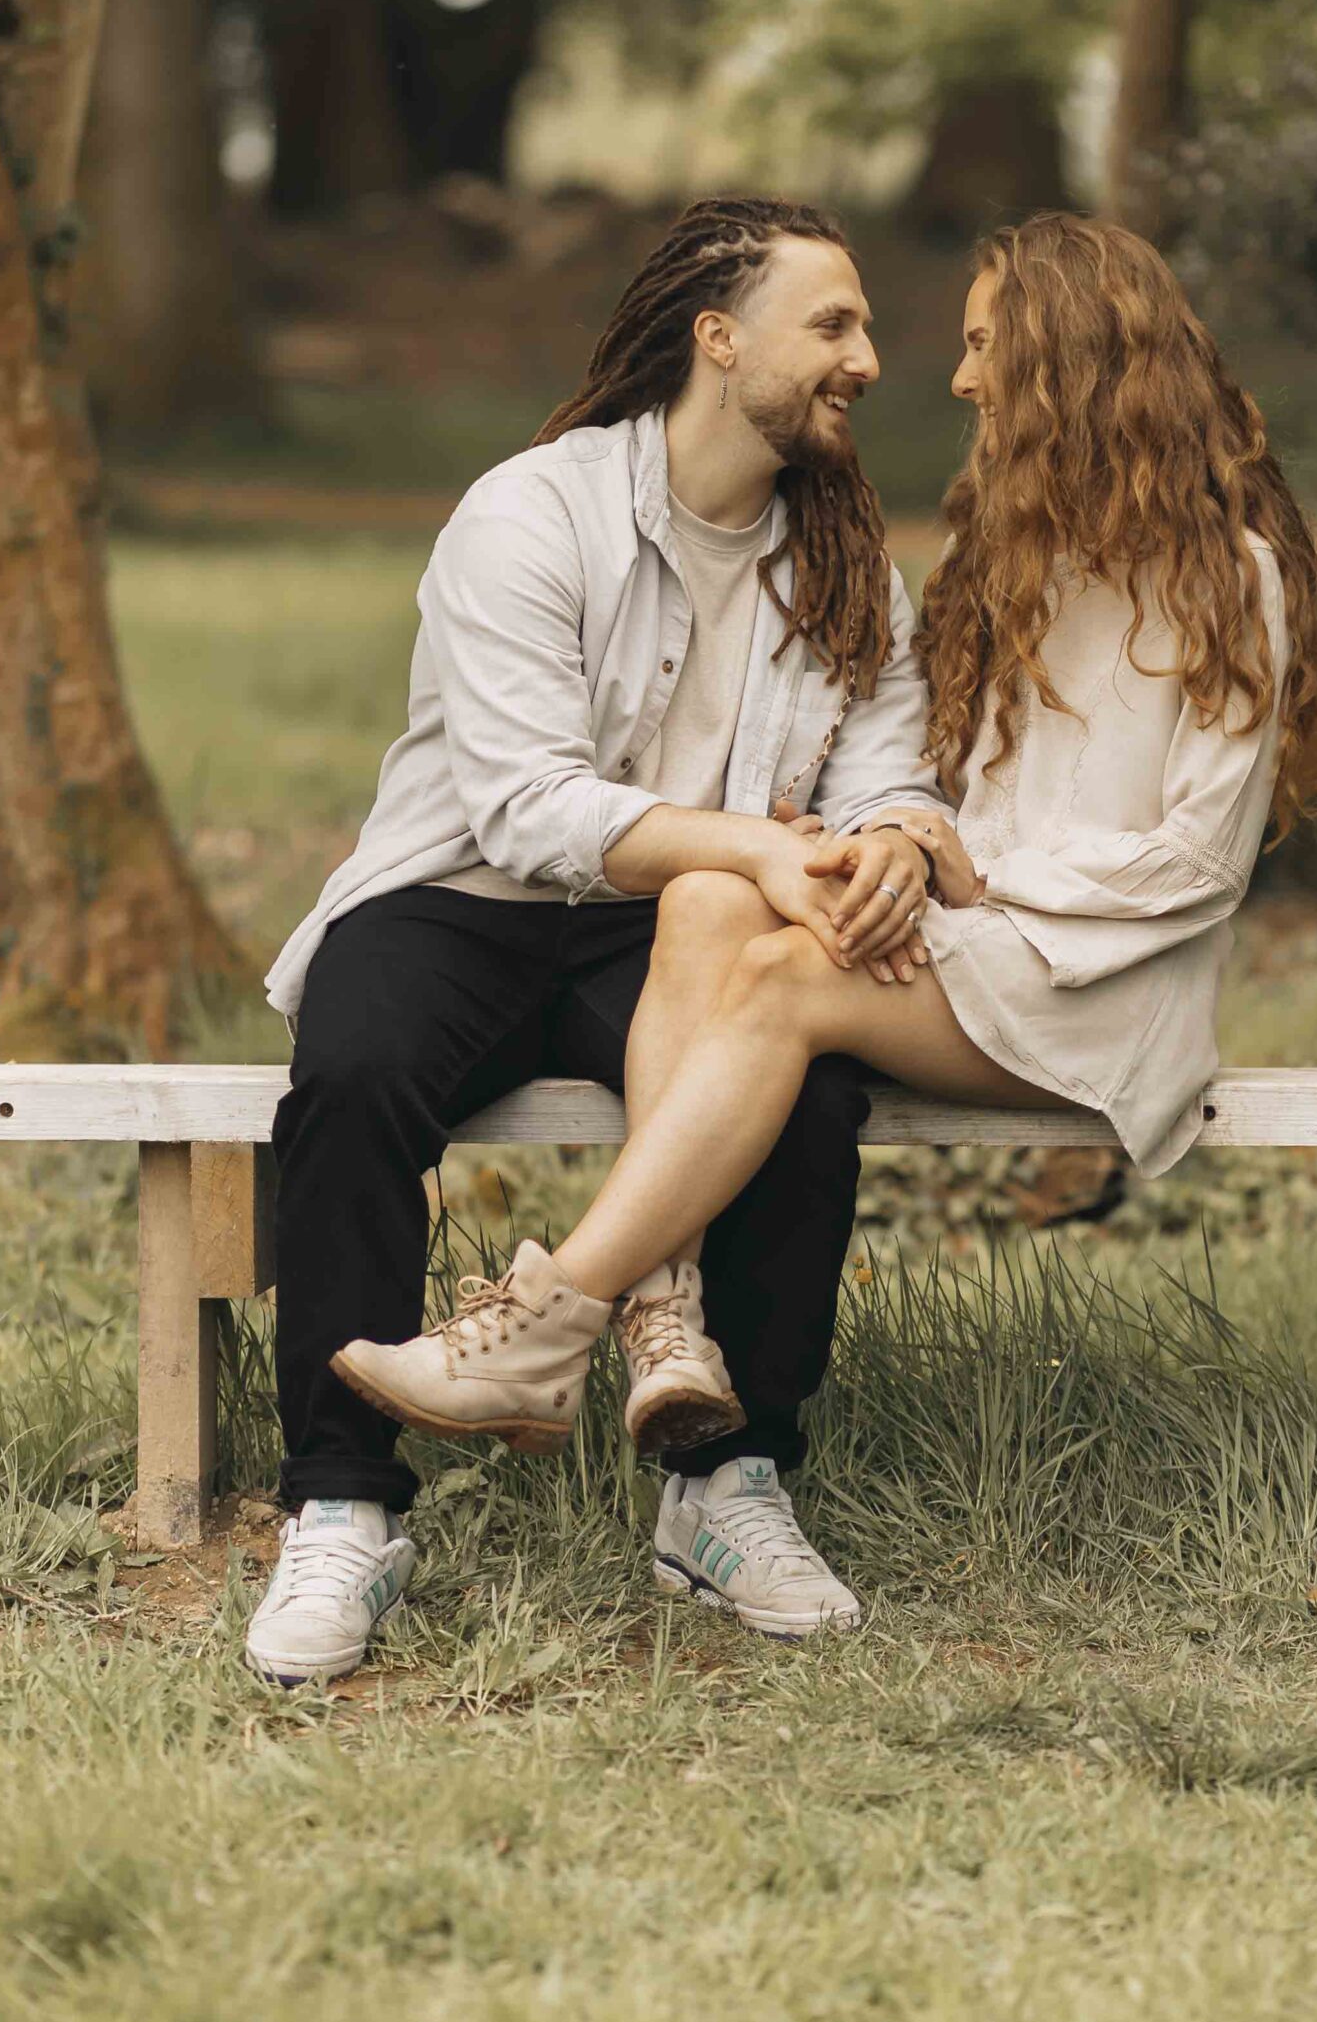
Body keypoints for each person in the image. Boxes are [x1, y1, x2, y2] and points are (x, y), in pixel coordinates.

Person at [333, 214, 1317, 1638]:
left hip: (1111, 991)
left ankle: (557, 1315)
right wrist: (903, 846)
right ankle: (661, 1323)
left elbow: (1196, 863)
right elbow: (938, 793)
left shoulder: (1230, 573)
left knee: (785, 976)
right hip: (978, 957)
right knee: (707, 892)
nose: (956, 377)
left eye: (989, 345)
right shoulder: (1003, 558)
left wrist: (962, 874)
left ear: (1070, 364)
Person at [245, 197, 951, 1685]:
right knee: (358, 1068)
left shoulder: (847, 574)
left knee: (806, 1095)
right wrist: (761, 842)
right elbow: (521, 806)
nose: (869, 358)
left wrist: (890, 837)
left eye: (865, 328)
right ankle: (342, 1506)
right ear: (719, 338)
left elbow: (889, 765)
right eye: (833, 324)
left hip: (681, 935)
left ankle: (725, 1485)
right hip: (464, 897)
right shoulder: (534, 513)